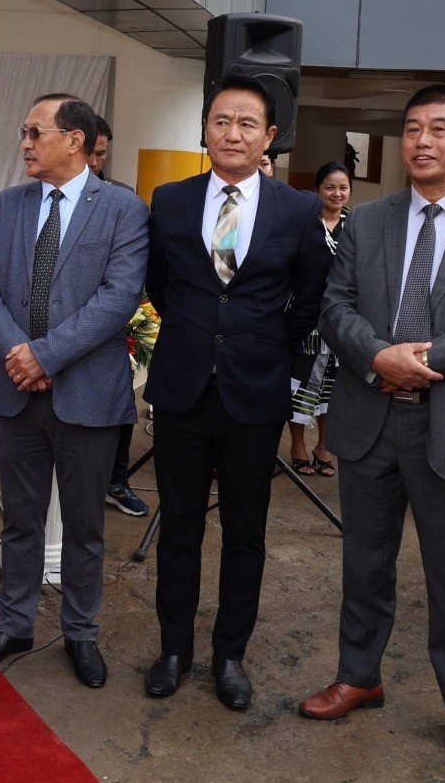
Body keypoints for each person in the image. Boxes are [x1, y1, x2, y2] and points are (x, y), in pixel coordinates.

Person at [298, 84, 445, 774]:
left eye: (439, 128)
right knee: (363, 567)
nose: (422, 141)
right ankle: (359, 676)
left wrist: (422, 362)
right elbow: (334, 307)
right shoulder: (365, 224)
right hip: (371, 423)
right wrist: (376, 358)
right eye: (411, 129)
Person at [142, 74, 328, 709]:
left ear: (269, 136)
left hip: (254, 393)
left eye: (247, 124)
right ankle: (173, 649)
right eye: (222, 121)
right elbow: (160, 286)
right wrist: (201, 334)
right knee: (179, 529)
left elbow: (310, 297)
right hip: (182, 391)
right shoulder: (168, 201)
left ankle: (229, 655)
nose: (233, 133)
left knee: (246, 533)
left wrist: (261, 342)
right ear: (205, 128)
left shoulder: (297, 209)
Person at [0, 94, 149, 687]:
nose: (24, 143)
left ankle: (81, 633)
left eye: (34, 132)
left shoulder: (123, 209)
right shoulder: (5, 205)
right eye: (24, 132)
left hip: (87, 394)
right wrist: (21, 356)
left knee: (85, 526)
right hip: (18, 393)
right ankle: (14, 623)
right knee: (20, 520)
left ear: (74, 139)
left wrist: (43, 355)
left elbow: (118, 299)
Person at [89, 115, 150, 517]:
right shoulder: (33, 199)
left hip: (114, 325)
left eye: (102, 153)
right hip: (55, 330)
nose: (95, 161)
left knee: (119, 407)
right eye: (90, 152)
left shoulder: (123, 199)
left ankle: (116, 480)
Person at [287, 161, 353, 478]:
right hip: (304, 318)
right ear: (317, 190)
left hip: (341, 321)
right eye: (329, 187)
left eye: (343, 187)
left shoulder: (355, 226)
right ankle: (298, 445)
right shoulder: (304, 224)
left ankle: (323, 447)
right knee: (299, 384)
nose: (336, 193)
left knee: (333, 388)